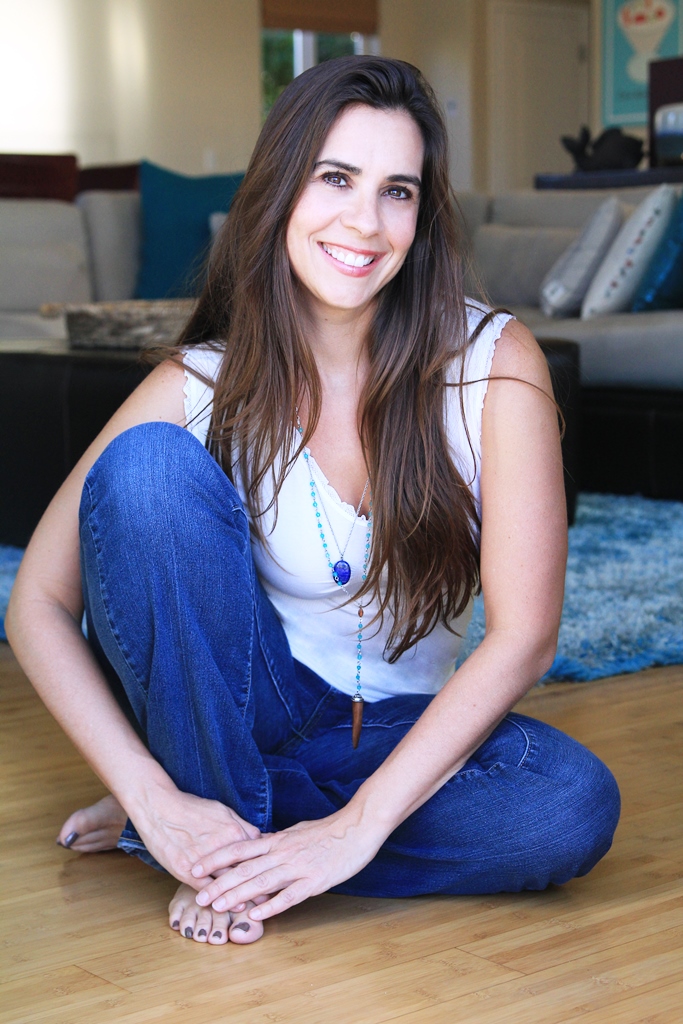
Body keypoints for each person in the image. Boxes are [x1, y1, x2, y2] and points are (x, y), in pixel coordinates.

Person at [6, 56, 620, 948]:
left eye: (397, 191)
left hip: (402, 731)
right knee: (146, 472)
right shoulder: (200, 381)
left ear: (422, 215)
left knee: (568, 805)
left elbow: (524, 636)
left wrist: (355, 830)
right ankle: (203, 824)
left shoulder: (492, 363)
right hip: (242, 708)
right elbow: (36, 602)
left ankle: (230, 835)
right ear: (280, 189)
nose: (364, 222)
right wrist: (148, 788)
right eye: (335, 178)